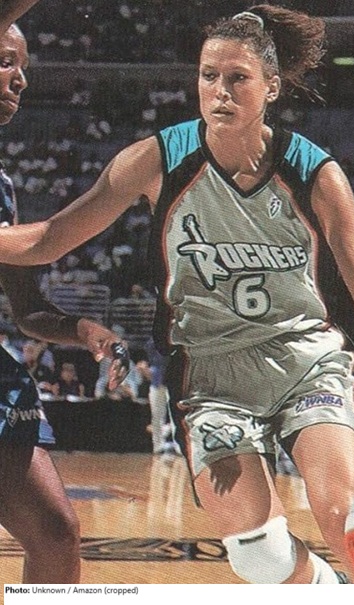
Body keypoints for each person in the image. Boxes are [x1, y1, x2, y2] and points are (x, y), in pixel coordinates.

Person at [0, 5, 354, 584]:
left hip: (305, 360)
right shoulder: (158, 159)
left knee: (346, 520)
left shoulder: (313, 171)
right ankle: (327, 589)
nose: (219, 91)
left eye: (237, 78)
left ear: (271, 86)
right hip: (209, 373)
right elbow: (48, 240)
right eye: (208, 75)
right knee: (258, 554)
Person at [0, 2, 129, 583]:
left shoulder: (3, 186)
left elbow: (27, 309)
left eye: (24, 67)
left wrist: (82, 330)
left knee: (56, 534)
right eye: (6, 61)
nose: (20, 79)